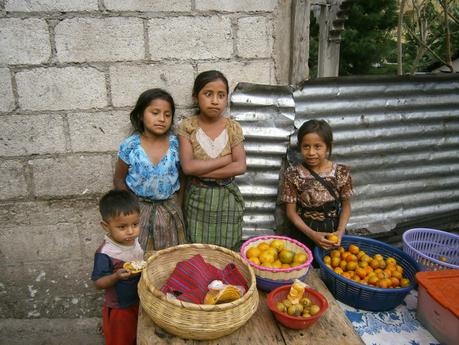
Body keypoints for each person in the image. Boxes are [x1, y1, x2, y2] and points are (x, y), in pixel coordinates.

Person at [177, 70, 246, 250]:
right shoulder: (187, 127)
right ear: (195, 96)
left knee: (228, 249)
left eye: (221, 95)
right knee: (198, 248)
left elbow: (240, 166)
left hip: (227, 199)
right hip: (198, 199)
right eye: (208, 94)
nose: (215, 100)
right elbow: (188, 168)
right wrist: (226, 159)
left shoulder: (233, 127)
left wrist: (202, 169)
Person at [113, 88, 187, 255]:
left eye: (167, 115)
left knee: (170, 257)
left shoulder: (176, 145)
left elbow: (183, 179)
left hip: (170, 212)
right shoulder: (130, 146)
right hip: (139, 213)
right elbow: (119, 180)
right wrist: (131, 209)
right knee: (141, 257)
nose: (162, 119)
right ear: (140, 115)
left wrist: (178, 205)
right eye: (155, 112)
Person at [280, 119, 353, 251]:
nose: (311, 152)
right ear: (300, 147)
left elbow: (346, 206)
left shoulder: (341, 173)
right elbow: (291, 213)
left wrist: (340, 232)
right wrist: (312, 235)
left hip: (333, 232)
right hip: (304, 233)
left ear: (328, 147)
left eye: (318, 146)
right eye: (306, 146)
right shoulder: (293, 174)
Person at [91, 189, 144, 345]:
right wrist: (115, 277)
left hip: (137, 300)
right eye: (122, 227)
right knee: (120, 338)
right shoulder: (105, 253)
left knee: (136, 333)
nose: (130, 232)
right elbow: (98, 283)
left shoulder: (133, 241)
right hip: (120, 307)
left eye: (135, 224)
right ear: (106, 226)